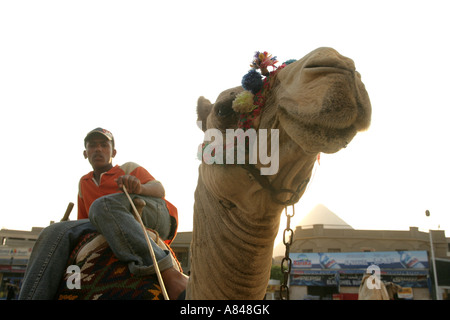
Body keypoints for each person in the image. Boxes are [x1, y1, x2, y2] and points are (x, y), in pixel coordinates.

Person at [19, 128, 187, 300]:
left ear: (113, 152)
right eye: (92, 146)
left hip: (153, 211)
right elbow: (84, 222)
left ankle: (169, 274)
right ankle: (44, 294)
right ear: (85, 153)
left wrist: (139, 187)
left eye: (104, 145)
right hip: (105, 218)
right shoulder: (83, 183)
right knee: (54, 231)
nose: (98, 149)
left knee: (102, 205)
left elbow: (159, 189)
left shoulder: (128, 168)